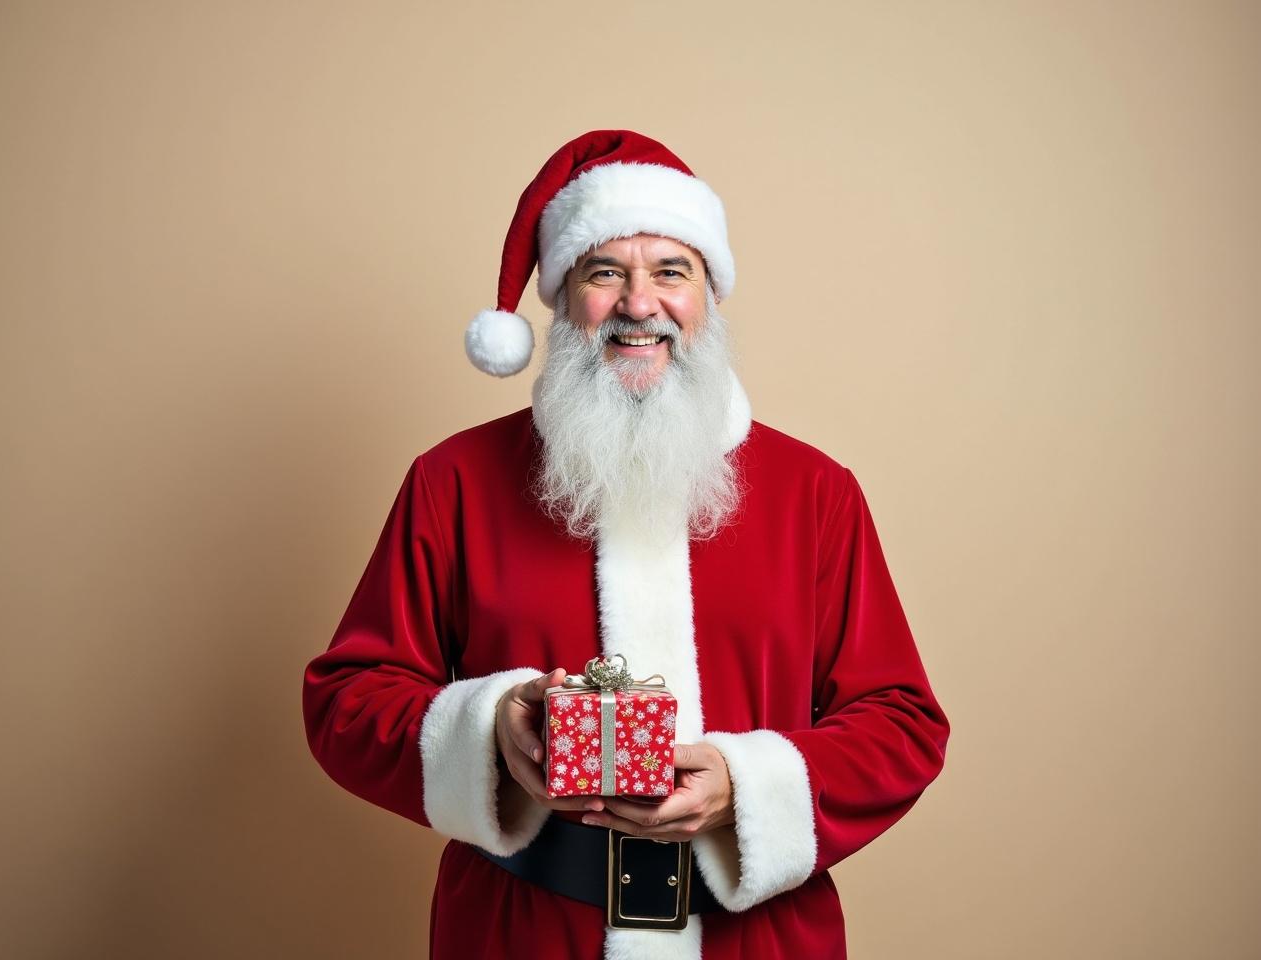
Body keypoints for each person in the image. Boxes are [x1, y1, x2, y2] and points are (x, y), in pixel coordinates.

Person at [302, 130, 950, 960]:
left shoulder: (815, 492)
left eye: (670, 272)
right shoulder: (453, 480)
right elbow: (346, 701)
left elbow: (901, 724)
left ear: (707, 295)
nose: (639, 304)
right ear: (564, 299)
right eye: (604, 272)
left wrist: (746, 791)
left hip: (755, 940)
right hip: (524, 934)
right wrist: (491, 730)